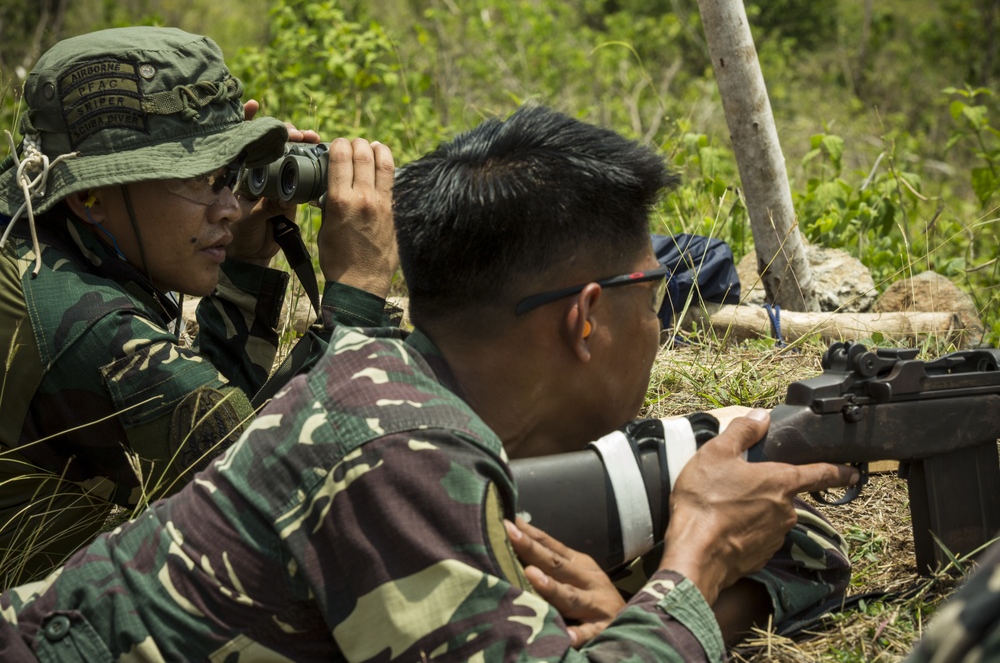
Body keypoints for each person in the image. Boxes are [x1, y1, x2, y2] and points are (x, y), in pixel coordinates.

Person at [0, 104, 858, 660]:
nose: (658, 322)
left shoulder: (398, 395)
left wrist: (634, 614)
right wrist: (693, 562)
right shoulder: (394, 445)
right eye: (655, 295)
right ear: (585, 318)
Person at [0, 26, 398, 586]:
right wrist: (357, 292)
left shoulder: (27, 237)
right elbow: (284, 503)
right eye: (201, 181)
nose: (232, 207)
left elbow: (207, 426)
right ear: (89, 194)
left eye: (231, 176)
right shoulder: (94, 333)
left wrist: (245, 271)